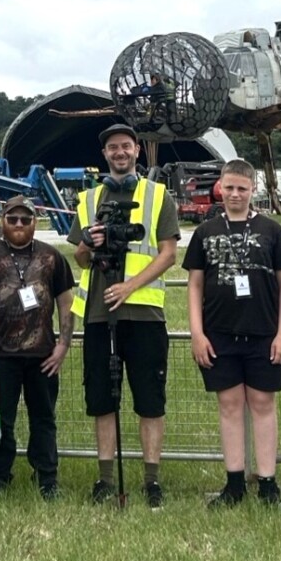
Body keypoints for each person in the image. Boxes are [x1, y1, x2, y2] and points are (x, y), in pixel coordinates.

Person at [68, 123, 179, 508]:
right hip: (99, 313)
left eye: (126, 146)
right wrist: (89, 242)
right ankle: (104, 478)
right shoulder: (87, 199)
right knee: (102, 399)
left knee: (150, 398)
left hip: (144, 312)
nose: (120, 153)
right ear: (105, 155)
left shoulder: (157, 195)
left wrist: (131, 286)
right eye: (113, 147)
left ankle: (152, 480)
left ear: (137, 151)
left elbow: (168, 253)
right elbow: (80, 258)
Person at [183, 160, 281, 507]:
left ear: (253, 190)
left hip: (264, 332)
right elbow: (194, 284)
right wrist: (197, 334)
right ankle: (234, 484)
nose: (235, 194)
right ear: (220, 187)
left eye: (242, 189)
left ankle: (267, 483)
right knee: (229, 406)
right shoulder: (205, 231)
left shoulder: (272, 230)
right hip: (219, 333)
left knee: (263, 404)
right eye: (229, 188)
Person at [0, 196, 75, 500]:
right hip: (0, 355)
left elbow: (65, 300)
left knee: (44, 418)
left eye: (26, 219)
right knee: (2, 420)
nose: (19, 224)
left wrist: (63, 344)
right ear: (2, 220)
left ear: (36, 221)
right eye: (13, 219)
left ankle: (47, 477)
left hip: (43, 355)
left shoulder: (52, 256)